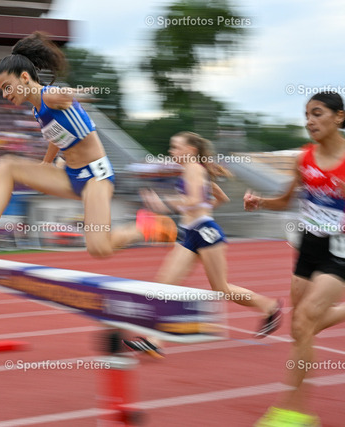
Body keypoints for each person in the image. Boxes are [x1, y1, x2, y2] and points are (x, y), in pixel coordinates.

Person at [0, 32, 176, 256]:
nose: (5, 94)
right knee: (7, 165)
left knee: (99, 248)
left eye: (7, 86)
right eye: (1, 90)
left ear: (24, 78)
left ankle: (146, 227)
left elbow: (66, 96)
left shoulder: (49, 95)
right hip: (70, 175)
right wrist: (46, 163)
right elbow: (55, 137)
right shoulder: (37, 110)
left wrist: (78, 94)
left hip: (95, 177)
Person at [122, 132, 283, 358]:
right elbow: (220, 198)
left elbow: (195, 200)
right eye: (172, 147)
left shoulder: (194, 169)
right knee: (164, 285)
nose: (171, 151)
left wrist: (165, 202)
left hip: (206, 233)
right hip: (190, 234)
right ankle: (153, 341)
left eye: (176, 147)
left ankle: (269, 307)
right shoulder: (195, 171)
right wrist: (201, 207)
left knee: (221, 288)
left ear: (191, 150)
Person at [249, 91, 345, 427]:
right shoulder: (304, 158)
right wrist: (260, 202)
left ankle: (294, 412)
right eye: (306, 115)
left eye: (317, 114)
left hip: (340, 251)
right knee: (300, 330)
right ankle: (298, 412)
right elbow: (285, 200)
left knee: (304, 322)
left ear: (339, 116)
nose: (309, 121)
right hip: (309, 246)